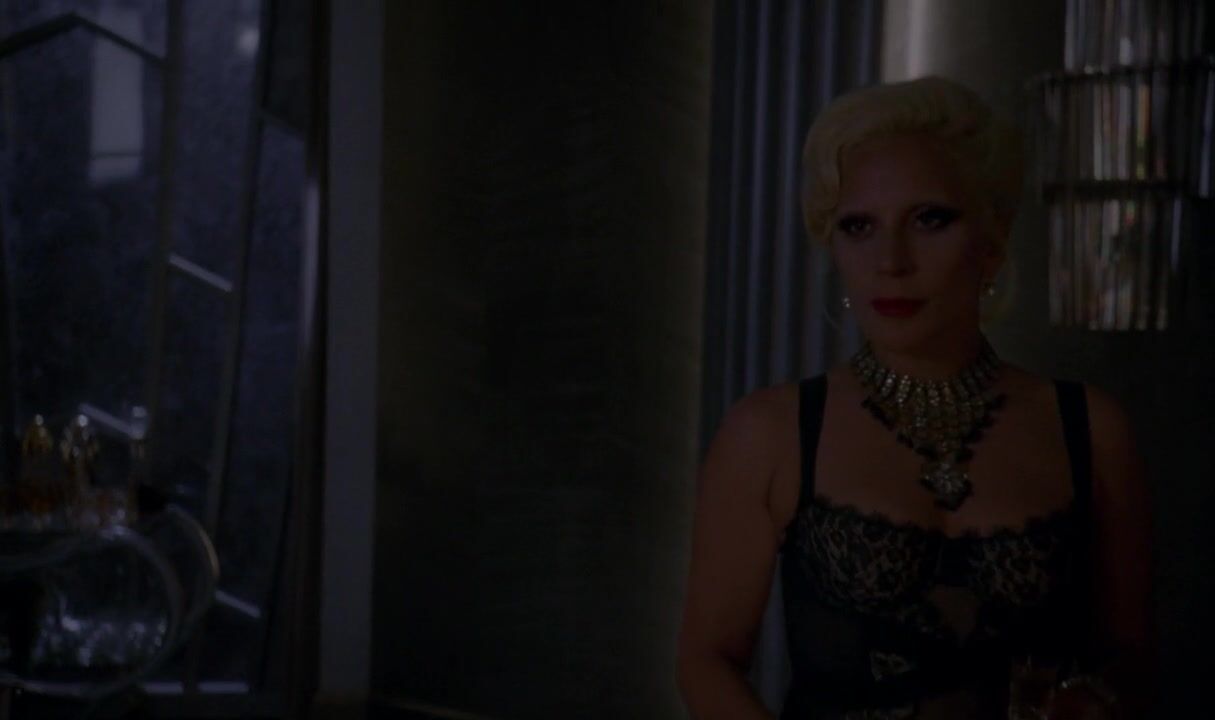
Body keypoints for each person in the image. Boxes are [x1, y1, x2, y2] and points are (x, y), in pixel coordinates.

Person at [675, 76, 1154, 719]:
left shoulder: (1090, 428)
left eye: (930, 220)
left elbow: (1134, 659)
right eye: (859, 226)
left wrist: (1094, 699)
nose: (891, 261)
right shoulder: (770, 432)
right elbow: (705, 660)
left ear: (992, 239)